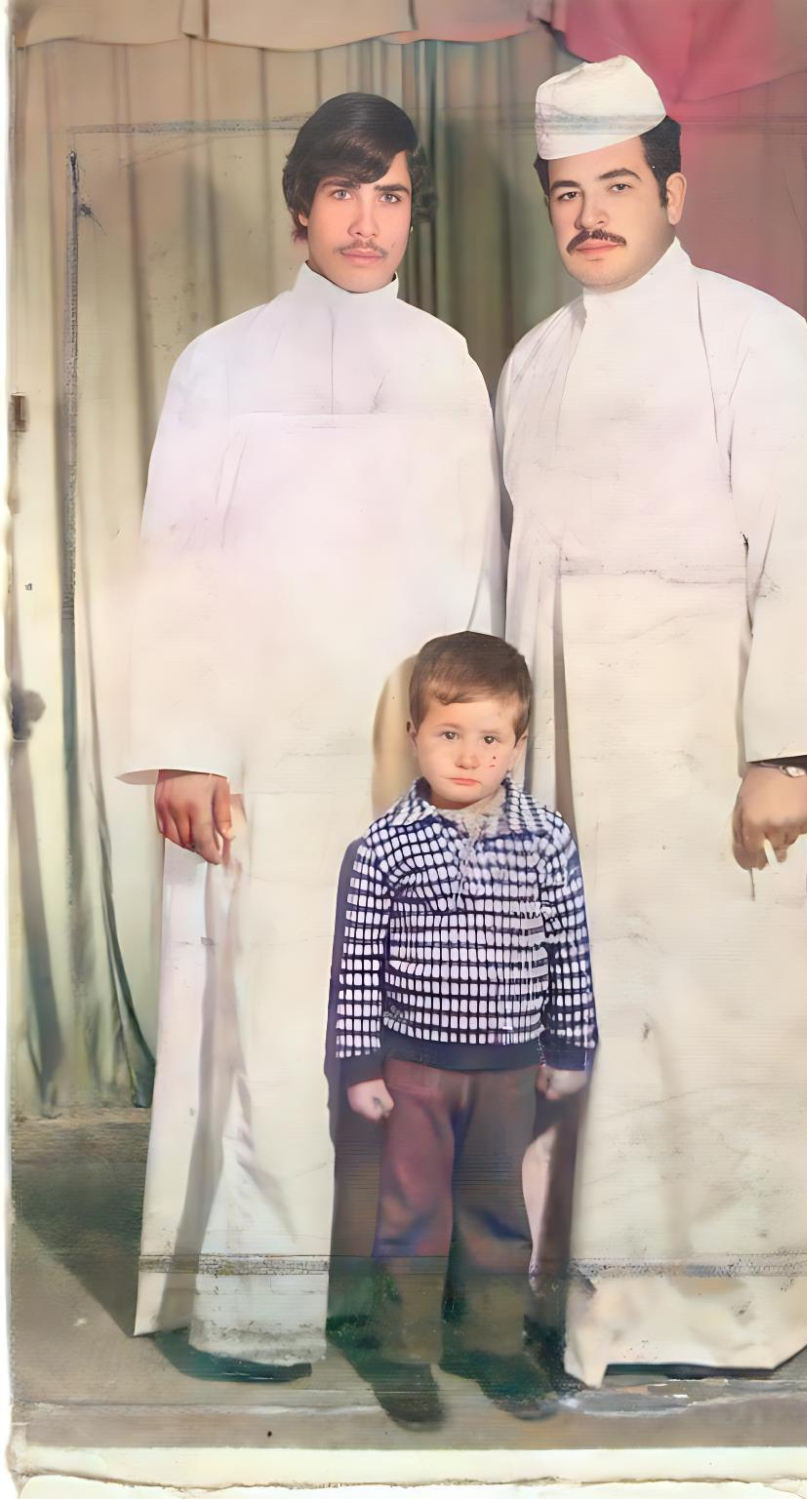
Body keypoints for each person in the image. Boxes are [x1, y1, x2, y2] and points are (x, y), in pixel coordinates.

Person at [120, 94, 502, 1379]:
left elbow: (478, 584)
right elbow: (175, 563)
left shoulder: (448, 366)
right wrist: (187, 742)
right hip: (271, 747)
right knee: (281, 1029)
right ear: (300, 209)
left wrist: (475, 761)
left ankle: (396, 1301)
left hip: (408, 752)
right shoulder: (220, 364)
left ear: (411, 211)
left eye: (389, 194)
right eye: (343, 192)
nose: (366, 219)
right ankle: (263, 1315)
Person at [498, 56, 807, 1388]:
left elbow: (795, 554)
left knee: (719, 1034)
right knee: (579, 1035)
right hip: (567, 772)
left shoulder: (758, 337)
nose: (592, 215)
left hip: (709, 756)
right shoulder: (531, 366)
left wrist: (784, 750)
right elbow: (513, 584)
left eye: (618, 186)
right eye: (567, 193)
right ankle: (589, 1308)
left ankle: (731, 1313)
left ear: (674, 191)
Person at [331, 631, 597, 1425]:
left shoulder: (545, 837)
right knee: (412, 1211)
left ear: (518, 743)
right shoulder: (386, 844)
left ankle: (493, 1341)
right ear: (415, 732)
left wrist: (570, 1045)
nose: (470, 755)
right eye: (449, 733)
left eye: (490, 738)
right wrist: (360, 1065)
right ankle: (405, 1352)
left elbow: (570, 947)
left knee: (495, 1209)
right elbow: (358, 962)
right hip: (414, 1068)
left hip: (509, 1067)